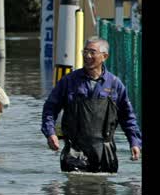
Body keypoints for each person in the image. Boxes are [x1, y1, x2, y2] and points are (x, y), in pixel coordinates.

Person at [41, 37, 142, 173]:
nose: (87, 56)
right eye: (85, 52)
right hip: (74, 152)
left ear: (104, 56)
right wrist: (50, 133)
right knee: (75, 188)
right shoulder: (68, 81)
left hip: (105, 153)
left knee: (105, 190)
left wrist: (134, 142)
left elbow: (128, 117)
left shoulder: (115, 84)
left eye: (92, 52)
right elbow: (50, 109)